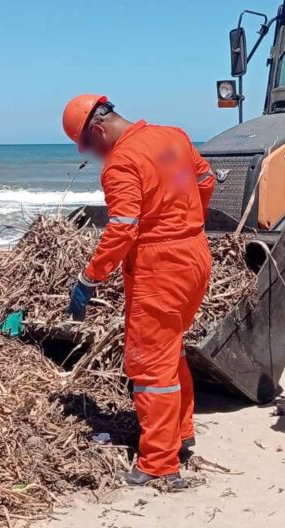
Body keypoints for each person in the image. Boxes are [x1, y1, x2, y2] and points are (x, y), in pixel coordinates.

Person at [62, 94, 214, 489]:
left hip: (159, 266)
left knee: (150, 367)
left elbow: (123, 228)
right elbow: (205, 181)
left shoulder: (121, 163)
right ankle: (181, 433)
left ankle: (160, 463)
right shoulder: (173, 137)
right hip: (195, 255)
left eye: (88, 147)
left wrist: (89, 278)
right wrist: (187, 222)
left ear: (98, 131)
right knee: (171, 350)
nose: (93, 155)